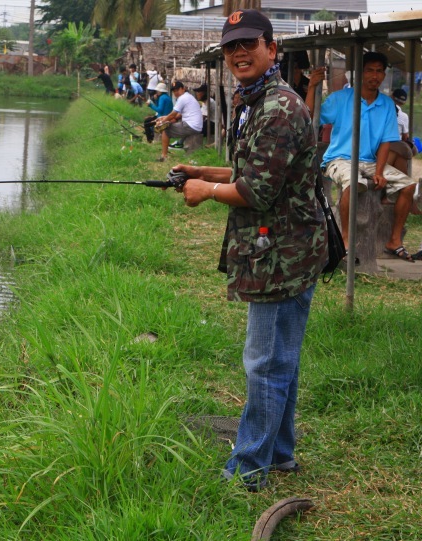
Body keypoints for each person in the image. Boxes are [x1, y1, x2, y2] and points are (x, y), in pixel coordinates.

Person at [172, 9, 327, 491]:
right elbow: (252, 172)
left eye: (249, 44)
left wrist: (205, 192)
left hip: (283, 254)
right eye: (231, 47)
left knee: (264, 362)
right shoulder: (256, 102)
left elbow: (255, 192)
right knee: (281, 358)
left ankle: (248, 469)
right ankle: (279, 453)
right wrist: (200, 175)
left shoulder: (278, 108)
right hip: (284, 250)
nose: (239, 53)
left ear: (271, 49)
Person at [306, 52, 417, 262]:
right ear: (360, 73)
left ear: (383, 75)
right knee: (352, 183)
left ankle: (394, 240)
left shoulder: (386, 105)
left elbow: (387, 141)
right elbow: (310, 115)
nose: (374, 75)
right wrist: (312, 87)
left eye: (378, 71)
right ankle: (346, 241)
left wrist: (379, 171)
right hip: (338, 159)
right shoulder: (341, 98)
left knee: (408, 186)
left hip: (370, 161)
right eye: (369, 70)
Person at [154, 80, 203, 161]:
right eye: (174, 91)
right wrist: (164, 118)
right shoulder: (188, 97)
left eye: (177, 90)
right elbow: (178, 115)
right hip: (195, 126)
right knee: (167, 124)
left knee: (165, 130)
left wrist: (163, 121)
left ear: (183, 89)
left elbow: (173, 114)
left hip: (191, 126)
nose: (176, 92)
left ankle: (164, 156)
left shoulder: (182, 98)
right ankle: (165, 154)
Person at [387, 88, 416, 176]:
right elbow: (405, 136)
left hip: (382, 144)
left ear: (391, 97)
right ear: (403, 103)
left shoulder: (383, 110)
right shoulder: (404, 116)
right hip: (395, 144)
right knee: (411, 149)